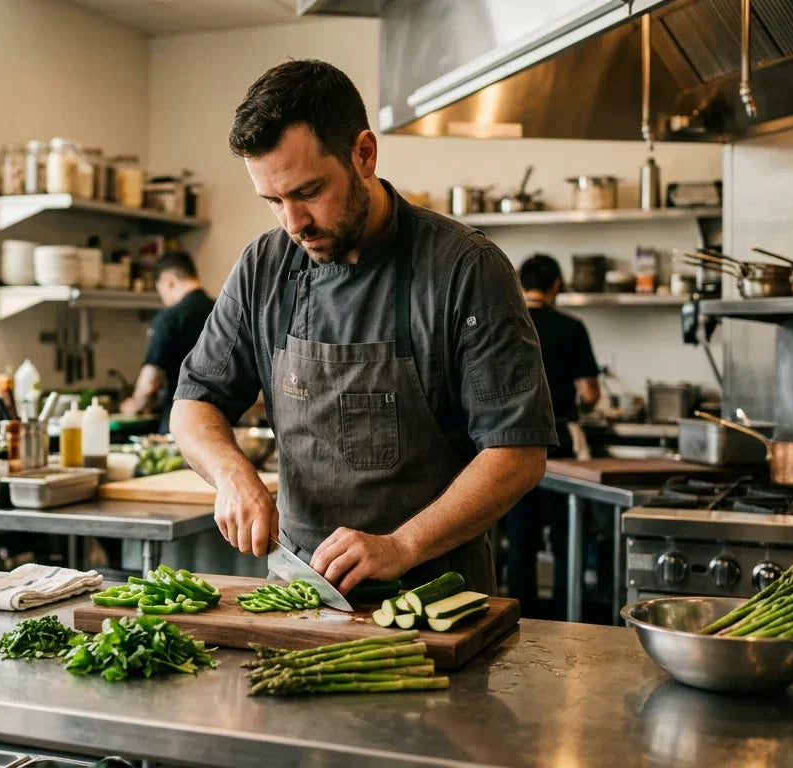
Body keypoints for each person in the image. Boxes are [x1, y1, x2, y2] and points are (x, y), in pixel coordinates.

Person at [169, 59, 557, 595]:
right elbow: (194, 403)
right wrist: (232, 474)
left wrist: (401, 545)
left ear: (365, 154)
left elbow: (518, 454)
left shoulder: (466, 268)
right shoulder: (264, 265)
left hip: (435, 599)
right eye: (274, 201)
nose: (293, 224)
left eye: (307, 192)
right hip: (299, 594)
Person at [503, 254, 601, 618]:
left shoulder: (508, 323)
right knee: (565, 537)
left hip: (509, 446)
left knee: (520, 538)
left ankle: (517, 617)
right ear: (557, 285)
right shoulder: (571, 327)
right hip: (559, 445)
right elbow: (589, 393)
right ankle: (564, 615)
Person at [120, 251, 215, 434]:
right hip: (223, 422)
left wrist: (134, 405)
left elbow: (150, 382)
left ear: (168, 281)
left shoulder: (170, 318)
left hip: (181, 425)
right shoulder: (222, 312)